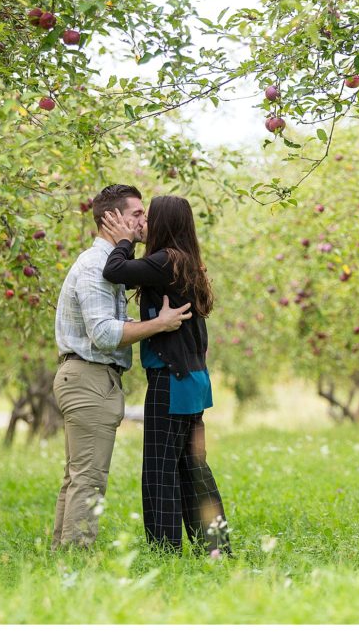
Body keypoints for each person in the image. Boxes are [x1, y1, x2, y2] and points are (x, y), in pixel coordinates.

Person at [52, 184, 192, 551]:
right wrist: (159, 325)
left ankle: (62, 556)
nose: (144, 221)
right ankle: (76, 560)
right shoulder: (98, 266)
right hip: (88, 377)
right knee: (89, 479)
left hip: (93, 378)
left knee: (78, 476)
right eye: (136, 215)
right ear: (110, 219)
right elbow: (103, 333)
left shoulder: (109, 263)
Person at [101, 195, 231, 555]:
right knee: (193, 469)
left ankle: (166, 550)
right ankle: (216, 545)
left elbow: (114, 272)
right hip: (191, 381)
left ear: (164, 223)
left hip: (170, 383)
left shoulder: (165, 261)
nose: (144, 223)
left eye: (149, 218)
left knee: (160, 471)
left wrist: (124, 240)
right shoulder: (186, 261)